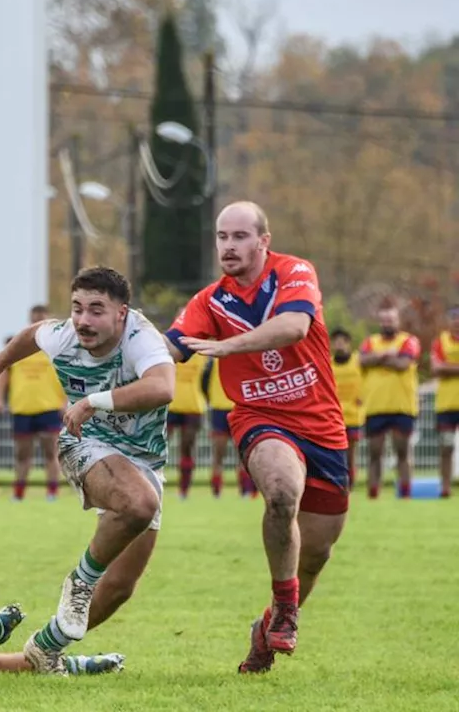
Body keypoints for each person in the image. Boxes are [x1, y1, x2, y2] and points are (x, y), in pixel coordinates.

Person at [165, 201, 348, 674]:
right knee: (282, 494)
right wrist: (114, 346)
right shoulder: (209, 301)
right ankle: (287, 613)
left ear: (264, 241)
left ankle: (267, 624)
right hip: (259, 417)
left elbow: (293, 326)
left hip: (322, 425)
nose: (228, 246)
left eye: (240, 236)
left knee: (317, 554)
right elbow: (172, 347)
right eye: (222, 237)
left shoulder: (294, 273)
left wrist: (227, 346)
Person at [0, 266, 175, 675]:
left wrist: (93, 400)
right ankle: (80, 582)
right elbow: (33, 334)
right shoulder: (62, 333)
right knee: (138, 504)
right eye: (78, 308)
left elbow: (162, 387)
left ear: (122, 313)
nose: (83, 320)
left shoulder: (141, 339)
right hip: (83, 442)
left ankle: (46, 648)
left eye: (96, 310)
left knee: (119, 587)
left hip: (143, 460)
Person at [0, 306, 67, 502]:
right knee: (22, 454)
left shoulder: (56, 348)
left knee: (51, 452)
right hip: (22, 407)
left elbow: (67, 376)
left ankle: (52, 492)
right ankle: (18, 494)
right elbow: (4, 374)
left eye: (41, 319)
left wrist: (65, 402)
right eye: (35, 319)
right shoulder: (19, 347)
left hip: (49, 406)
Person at [359, 303, 422, 499]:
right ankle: (373, 493)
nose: (387, 324)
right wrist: (386, 355)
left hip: (402, 406)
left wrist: (376, 358)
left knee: (402, 452)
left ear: (398, 321)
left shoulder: (408, 341)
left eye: (391, 320)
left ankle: (405, 493)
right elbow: (362, 360)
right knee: (374, 453)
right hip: (375, 406)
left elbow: (403, 364)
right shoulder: (370, 341)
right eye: (384, 320)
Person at [206, 359, 253, 497]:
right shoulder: (213, 362)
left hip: (239, 407)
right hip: (220, 408)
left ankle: (245, 488)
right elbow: (204, 383)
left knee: (243, 452)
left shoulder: (245, 359)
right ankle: (217, 489)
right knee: (219, 451)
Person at [168, 352, 209, 499]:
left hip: (193, 407)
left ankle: (184, 490)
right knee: (157, 447)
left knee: (187, 449)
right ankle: (152, 483)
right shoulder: (170, 352)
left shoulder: (201, 354)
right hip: (170, 405)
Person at [329, 329, 366, 492]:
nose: (339, 344)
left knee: (350, 453)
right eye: (336, 341)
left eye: (342, 341)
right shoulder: (329, 363)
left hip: (353, 416)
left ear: (348, 342)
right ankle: (336, 483)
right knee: (335, 454)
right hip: (333, 416)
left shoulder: (358, 362)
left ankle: (350, 485)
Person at [430, 307, 459, 499]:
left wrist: (448, 367)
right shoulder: (440, 341)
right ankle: (445, 488)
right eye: (454, 318)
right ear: (449, 321)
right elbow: (436, 368)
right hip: (447, 404)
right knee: (446, 447)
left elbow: (443, 367)